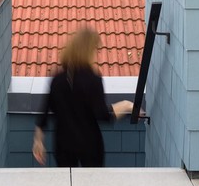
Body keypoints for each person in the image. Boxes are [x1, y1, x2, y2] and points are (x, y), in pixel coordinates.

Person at [33, 28, 134, 167]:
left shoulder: (58, 79)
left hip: (63, 146)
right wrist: (126, 105)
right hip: (90, 146)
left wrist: (38, 141)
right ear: (88, 51)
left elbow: (43, 114)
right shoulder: (93, 80)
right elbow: (102, 115)